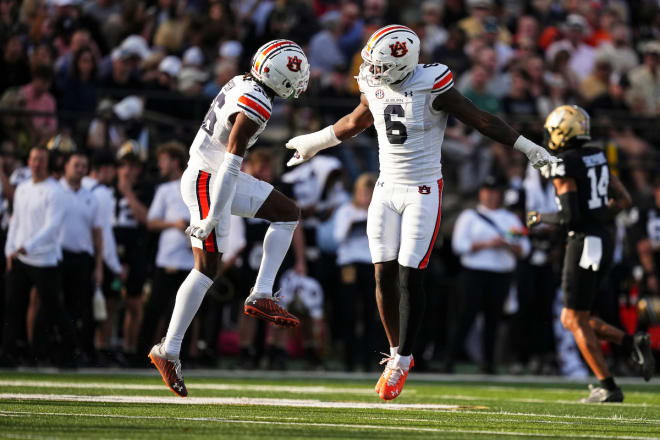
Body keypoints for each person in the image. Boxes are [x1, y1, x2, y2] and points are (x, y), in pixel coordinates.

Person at [285, 24, 555, 401]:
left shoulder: (433, 82)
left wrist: (528, 147)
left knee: (411, 274)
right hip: (384, 187)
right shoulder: (373, 81)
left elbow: (481, 120)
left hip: (423, 189)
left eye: (380, 65)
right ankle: (396, 353)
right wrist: (316, 142)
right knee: (382, 272)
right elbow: (356, 120)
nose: (373, 72)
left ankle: (402, 361)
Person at [148, 40, 310, 397]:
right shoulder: (256, 101)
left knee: (286, 213)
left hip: (212, 173)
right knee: (205, 269)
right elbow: (232, 161)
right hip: (211, 178)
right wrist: (212, 217)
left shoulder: (243, 81)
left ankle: (261, 292)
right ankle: (169, 348)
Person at [527, 105, 654, 402]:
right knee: (575, 317)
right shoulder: (597, 155)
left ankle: (608, 386)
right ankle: (631, 342)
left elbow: (569, 216)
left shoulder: (563, 163)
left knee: (573, 318)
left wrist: (539, 217)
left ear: (561, 131)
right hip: (603, 239)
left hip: (583, 241)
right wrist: (598, 219)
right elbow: (623, 199)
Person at [1, 147, 78, 366]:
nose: (37, 163)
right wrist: (10, 249)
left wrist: (28, 246)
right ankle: (9, 354)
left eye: (41, 160)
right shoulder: (23, 188)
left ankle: (70, 353)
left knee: (53, 308)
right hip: (20, 259)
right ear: (29, 161)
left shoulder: (55, 191)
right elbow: (15, 221)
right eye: (34, 159)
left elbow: (52, 226)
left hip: (45, 260)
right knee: (13, 307)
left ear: (47, 163)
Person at [447, 175, 530, 374]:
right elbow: (458, 246)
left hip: (500, 274)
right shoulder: (469, 216)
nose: (491, 196)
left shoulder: (510, 219)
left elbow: (525, 248)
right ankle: (449, 360)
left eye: (494, 192)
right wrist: (487, 244)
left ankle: (489, 363)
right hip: (474, 273)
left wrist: (509, 245)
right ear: (481, 193)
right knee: (466, 317)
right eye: (487, 191)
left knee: (493, 319)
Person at [138, 142, 194, 359]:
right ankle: (142, 354)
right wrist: (174, 224)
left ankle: (181, 357)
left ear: (174, 161)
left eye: (163, 160)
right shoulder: (164, 190)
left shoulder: (194, 186)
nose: (160, 165)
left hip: (190, 260)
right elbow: (151, 222)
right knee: (154, 308)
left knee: (183, 312)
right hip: (167, 258)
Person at [59, 152, 104, 362]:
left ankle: (74, 350)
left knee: (79, 308)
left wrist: (98, 267)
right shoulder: (55, 191)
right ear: (66, 166)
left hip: (82, 259)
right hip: (58, 257)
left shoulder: (90, 197)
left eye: (83, 166)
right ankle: (46, 348)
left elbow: (98, 233)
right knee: (55, 305)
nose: (80, 169)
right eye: (76, 164)